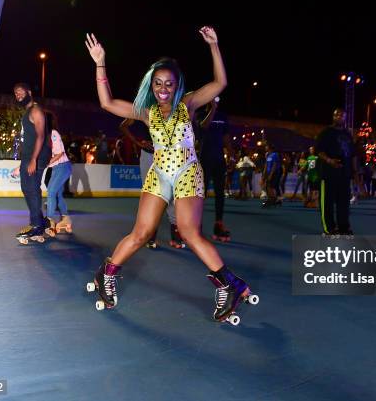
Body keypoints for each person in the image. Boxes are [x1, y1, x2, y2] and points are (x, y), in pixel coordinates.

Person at [85, 27, 255, 321]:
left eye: (169, 83)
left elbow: (220, 82)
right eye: (158, 83)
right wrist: (100, 62)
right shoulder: (146, 111)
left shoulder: (187, 103)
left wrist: (214, 46)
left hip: (188, 170)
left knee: (189, 232)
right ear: (151, 85)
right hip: (159, 172)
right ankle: (107, 274)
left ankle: (229, 284)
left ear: (177, 85)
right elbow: (107, 103)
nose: (163, 88)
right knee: (141, 233)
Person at [118, 118, 184, 248]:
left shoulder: (172, 107)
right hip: (149, 156)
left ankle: (175, 234)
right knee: (150, 195)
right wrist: (138, 143)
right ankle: (150, 235)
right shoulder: (143, 109)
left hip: (169, 156)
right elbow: (123, 126)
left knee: (171, 193)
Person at [12, 83, 53, 243]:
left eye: (20, 92)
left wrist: (34, 160)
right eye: (15, 93)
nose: (18, 95)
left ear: (29, 92)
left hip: (36, 157)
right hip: (29, 156)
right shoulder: (28, 111)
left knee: (31, 188)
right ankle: (41, 222)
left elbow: (41, 136)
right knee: (28, 188)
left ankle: (37, 225)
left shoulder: (36, 110)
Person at [315, 108, 361, 235]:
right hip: (328, 173)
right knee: (327, 203)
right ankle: (329, 228)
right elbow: (318, 151)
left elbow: (352, 154)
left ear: (345, 118)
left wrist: (355, 173)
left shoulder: (347, 134)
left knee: (344, 203)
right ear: (333, 116)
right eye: (337, 115)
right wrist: (329, 160)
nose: (339, 117)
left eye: (342, 115)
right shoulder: (326, 132)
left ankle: (343, 227)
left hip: (344, 174)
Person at [197, 97, 232, 241]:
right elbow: (203, 126)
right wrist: (212, 110)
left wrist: (231, 155)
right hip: (204, 159)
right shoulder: (199, 115)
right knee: (201, 194)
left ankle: (218, 225)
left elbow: (226, 137)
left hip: (219, 160)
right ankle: (196, 227)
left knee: (220, 194)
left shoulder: (223, 116)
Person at [45, 112, 73, 233]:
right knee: (57, 194)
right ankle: (66, 219)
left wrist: (47, 162)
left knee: (51, 192)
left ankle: (49, 220)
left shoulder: (53, 133)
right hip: (58, 168)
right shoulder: (45, 135)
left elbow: (60, 153)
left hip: (62, 166)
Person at [261, 143, 282, 207]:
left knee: (270, 186)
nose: (265, 148)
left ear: (269, 147)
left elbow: (274, 165)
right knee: (267, 186)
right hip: (268, 173)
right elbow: (266, 165)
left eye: (266, 146)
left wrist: (271, 174)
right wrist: (264, 175)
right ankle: (272, 199)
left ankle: (274, 200)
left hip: (274, 173)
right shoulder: (268, 155)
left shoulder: (275, 155)